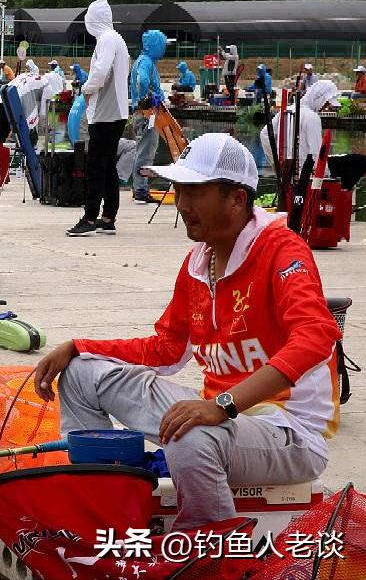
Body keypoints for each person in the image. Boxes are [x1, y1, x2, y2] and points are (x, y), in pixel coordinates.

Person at [34, 133, 339, 530]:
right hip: (220, 417)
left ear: (237, 199)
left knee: (190, 436)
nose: (181, 204)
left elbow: (316, 336)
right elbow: (166, 350)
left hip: (287, 431)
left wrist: (224, 405)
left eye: (194, 192)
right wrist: (78, 346)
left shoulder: (283, 250)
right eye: (178, 190)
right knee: (78, 374)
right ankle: (100, 505)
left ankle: (208, 546)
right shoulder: (199, 260)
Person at [68, 0, 130, 237]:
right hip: (118, 112)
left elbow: (101, 71)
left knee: (95, 165)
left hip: (105, 113)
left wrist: (87, 89)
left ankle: (89, 217)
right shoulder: (118, 39)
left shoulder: (106, 39)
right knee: (108, 165)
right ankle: (108, 216)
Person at [259, 79, 339, 177]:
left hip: (285, 174)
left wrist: (276, 162)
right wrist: (326, 174)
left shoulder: (286, 110)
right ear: (320, 98)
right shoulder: (312, 117)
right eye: (326, 103)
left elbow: (265, 135)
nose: (325, 107)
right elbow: (316, 152)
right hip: (305, 176)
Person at [128, 29, 167, 204]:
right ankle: (141, 190)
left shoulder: (145, 60)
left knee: (143, 150)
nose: (164, 49)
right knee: (146, 151)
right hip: (147, 114)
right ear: (154, 45)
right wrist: (148, 99)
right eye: (162, 45)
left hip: (144, 113)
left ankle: (139, 187)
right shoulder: (146, 62)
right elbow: (142, 80)